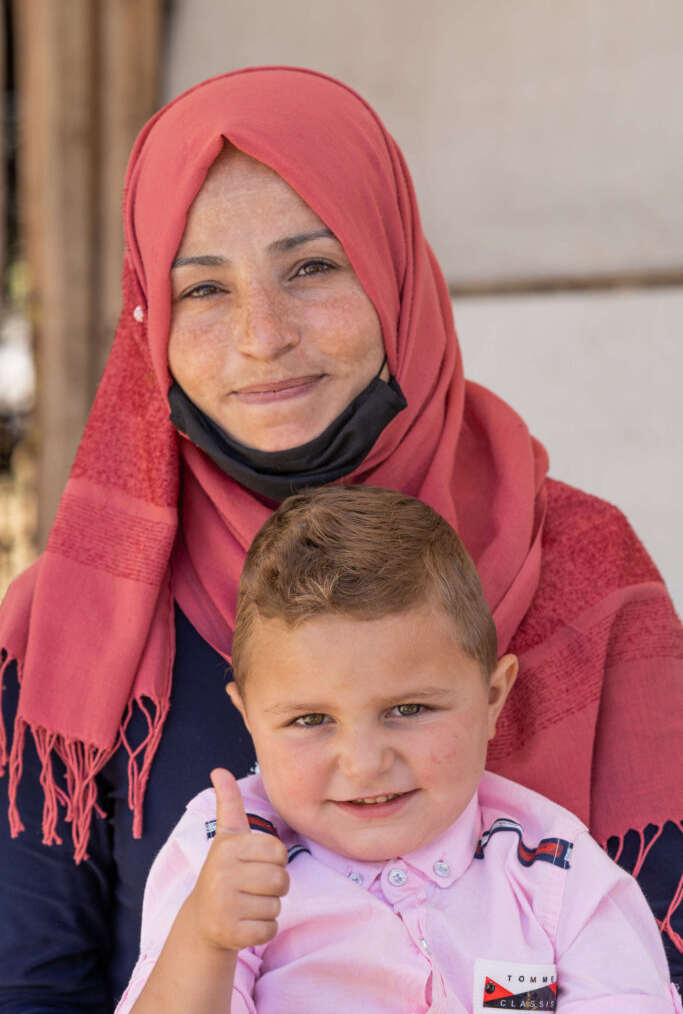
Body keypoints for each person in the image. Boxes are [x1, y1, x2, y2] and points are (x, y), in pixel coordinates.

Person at [0, 66, 680, 1011]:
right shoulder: (77, 621)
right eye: (202, 290)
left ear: (394, 267)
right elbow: (28, 987)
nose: (261, 335)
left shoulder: (579, 566)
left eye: (313, 266)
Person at [116, 485, 682, 1013]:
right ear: (249, 719)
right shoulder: (228, 859)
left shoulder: (555, 871)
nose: (365, 763)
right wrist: (207, 938)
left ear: (491, 699)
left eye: (408, 710)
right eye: (310, 720)